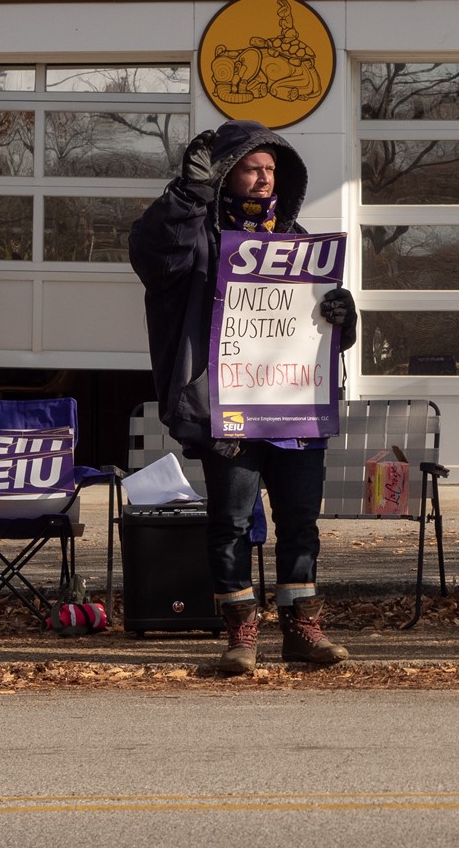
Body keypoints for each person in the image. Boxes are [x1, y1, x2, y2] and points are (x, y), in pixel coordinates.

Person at [129, 122, 359, 674]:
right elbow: (152, 255)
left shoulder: (299, 239)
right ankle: (241, 636)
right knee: (230, 522)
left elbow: (320, 334)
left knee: (300, 521)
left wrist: (344, 320)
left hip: (296, 409)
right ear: (227, 174)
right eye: (253, 168)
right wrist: (188, 195)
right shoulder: (197, 236)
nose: (263, 178)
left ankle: (303, 629)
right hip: (227, 405)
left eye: (271, 170)